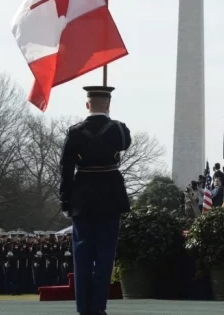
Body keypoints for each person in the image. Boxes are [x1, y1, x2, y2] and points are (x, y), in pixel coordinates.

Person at [59, 86, 132, 315]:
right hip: (110, 195)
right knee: (105, 256)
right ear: (108, 105)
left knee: (82, 256)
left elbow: (66, 168)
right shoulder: (119, 129)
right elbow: (125, 144)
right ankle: (98, 307)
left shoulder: (75, 132)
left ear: (87, 105)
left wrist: (65, 200)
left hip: (82, 196)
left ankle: (84, 308)